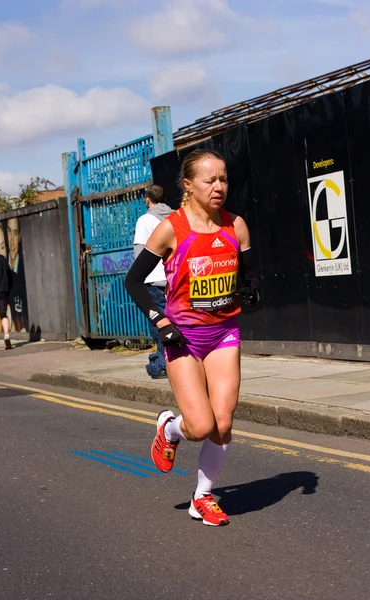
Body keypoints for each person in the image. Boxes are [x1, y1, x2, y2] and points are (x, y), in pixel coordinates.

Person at [125, 149, 260, 526]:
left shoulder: (236, 225)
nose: (219, 187)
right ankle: (169, 428)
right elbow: (133, 281)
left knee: (223, 423)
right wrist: (160, 320)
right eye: (210, 180)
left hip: (223, 333)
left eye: (224, 179)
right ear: (188, 185)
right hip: (182, 338)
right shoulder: (172, 228)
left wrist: (251, 289)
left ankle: (202, 497)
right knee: (199, 427)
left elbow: (251, 274)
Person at [133, 185, 173, 379]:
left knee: (157, 323)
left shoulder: (145, 220)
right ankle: (166, 359)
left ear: (147, 199)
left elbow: (140, 255)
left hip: (153, 280)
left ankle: (162, 364)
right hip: (172, 279)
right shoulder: (175, 217)